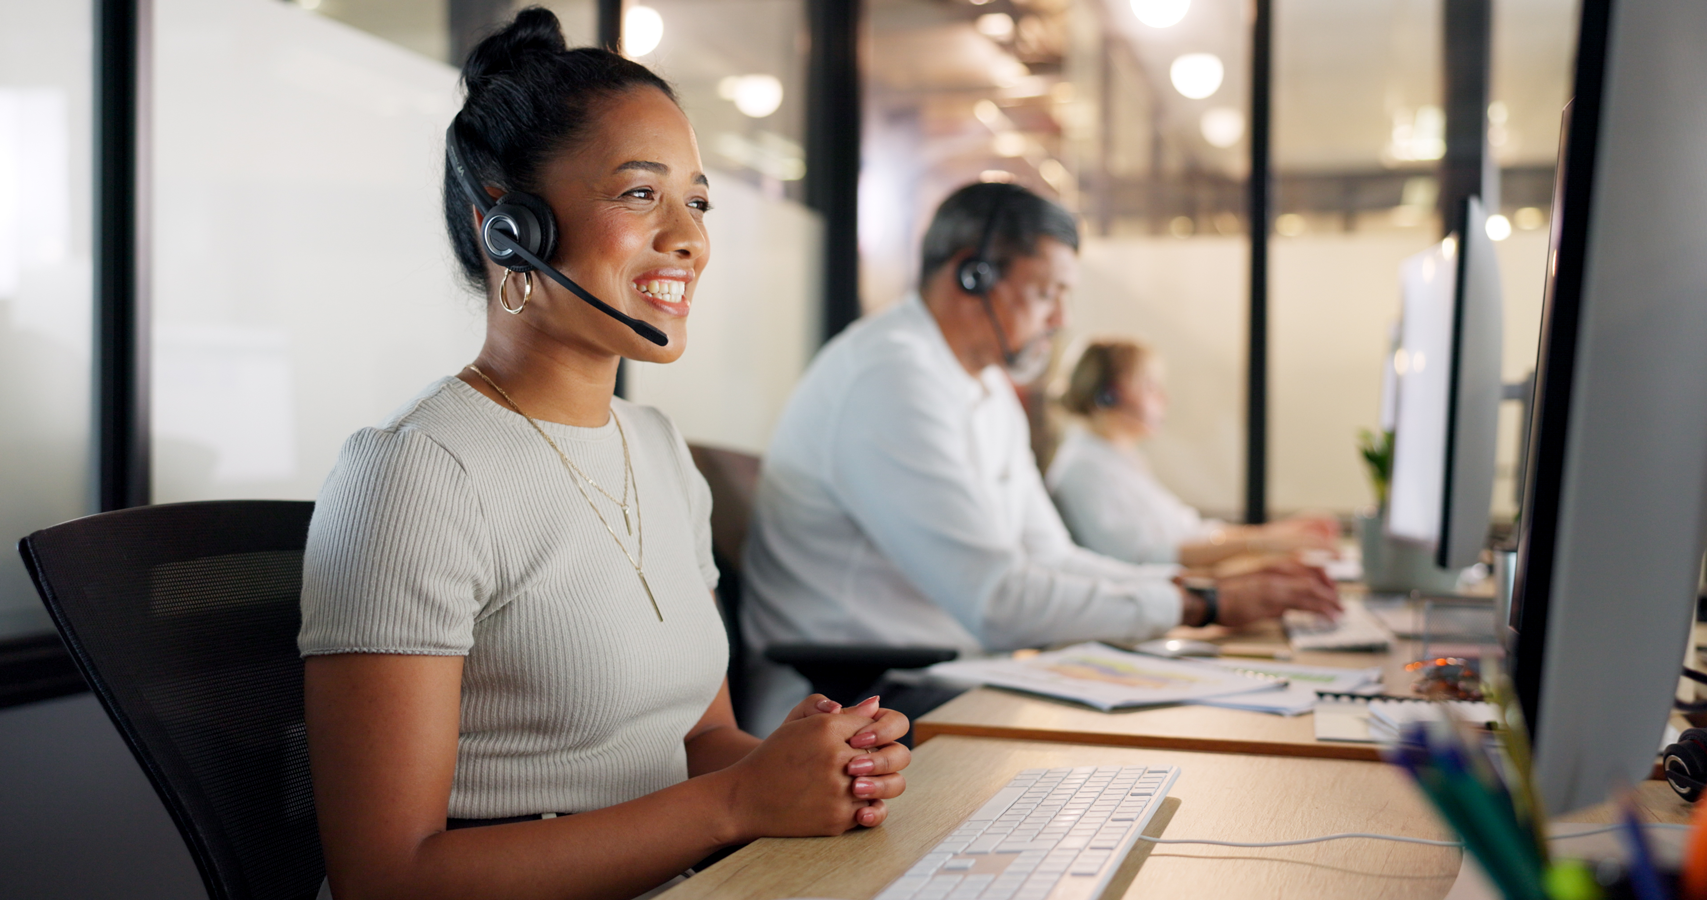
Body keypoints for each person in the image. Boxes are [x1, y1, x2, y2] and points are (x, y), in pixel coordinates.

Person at [297, 11, 909, 900]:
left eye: (696, 201)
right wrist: (737, 802)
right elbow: (386, 877)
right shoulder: (413, 475)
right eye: (638, 194)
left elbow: (698, 745)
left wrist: (813, 769)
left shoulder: (657, 451)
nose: (689, 238)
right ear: (509, 231)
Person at [740, 181, 1341, 732]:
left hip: (948, 672)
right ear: (970, 276)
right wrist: (1205, 603)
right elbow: (998, 602)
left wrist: (1197, 589)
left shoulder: (986, 386)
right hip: (853, 696)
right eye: (1046, 293)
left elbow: (1049, 556)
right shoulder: (890, 376)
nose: (1062, 319)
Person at [1049, 339, 1341, 568]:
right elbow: (1144, 555)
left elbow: (1188, 530)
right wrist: (1262, 543)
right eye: (1150, 386)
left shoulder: (1119, 460)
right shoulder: (1083, 469)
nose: (1164, 399)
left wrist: (1276, 534)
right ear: (1107, 396)